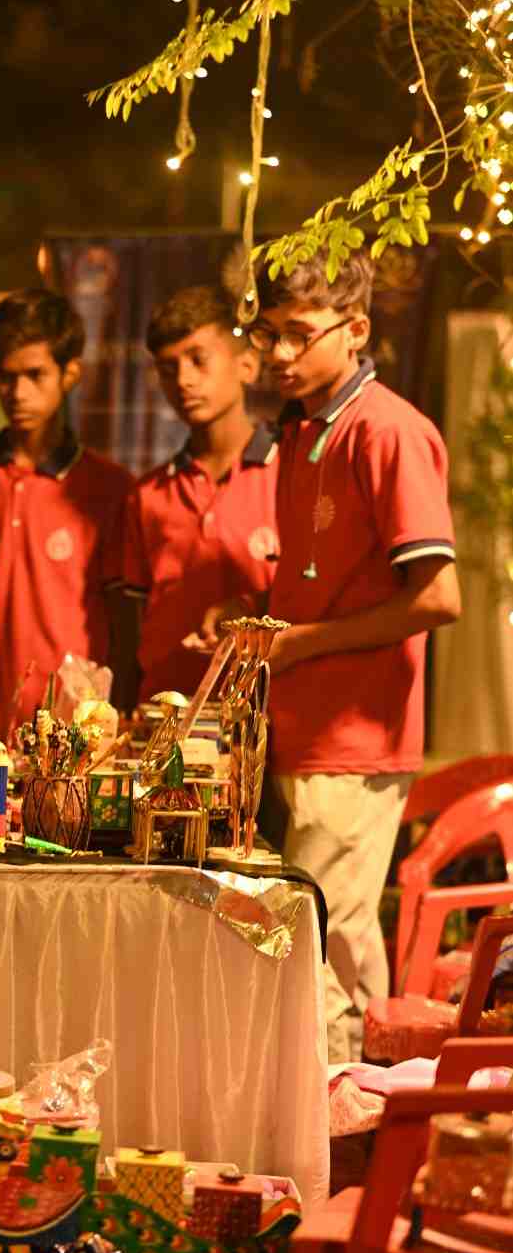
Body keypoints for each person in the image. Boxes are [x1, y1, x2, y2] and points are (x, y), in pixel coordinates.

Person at [244, 249, 460, 1062]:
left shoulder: (389, 430)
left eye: (299, 335)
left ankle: (352, 1135)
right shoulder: (302, 432)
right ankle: (362, 1127)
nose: (279, 355)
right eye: (268, 335)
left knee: (326, 947)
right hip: (302, 727)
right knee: (325, 940)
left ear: (355, 329)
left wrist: (301, 643)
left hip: (357, 736)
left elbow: (438, 597)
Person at [0, 288, 133, 739]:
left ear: (70, 373)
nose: (18, 393)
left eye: (35, 375)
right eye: (4, 377)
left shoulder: (111, 490)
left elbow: (123, 631)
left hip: (74, 744)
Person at [122, 285, 280, 703]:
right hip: (166, 722)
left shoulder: (291, 475)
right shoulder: (148, 495)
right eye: (169, 368)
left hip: (271, 721)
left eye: (198, 360)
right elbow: (130, 629)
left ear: (246, 365)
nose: (184, 380)